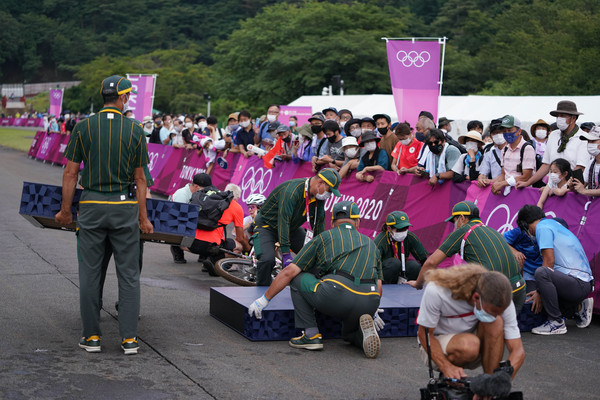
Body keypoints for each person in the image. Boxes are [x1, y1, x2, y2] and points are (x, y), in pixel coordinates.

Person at [55, 75, 153, 355]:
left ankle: (92, 337)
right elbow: (141, 181)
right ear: (122, 98)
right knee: (129, 276)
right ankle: (129, 339)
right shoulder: (135, 129)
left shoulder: (83, 127)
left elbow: (71, 173)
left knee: (89, 274)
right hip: (124, 209)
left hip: (91, 207)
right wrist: (143, 219)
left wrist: (65, 211)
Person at [248, 201, 383, 358]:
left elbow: (289, 272)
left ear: (332, 222)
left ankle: (311, 335)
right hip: (370, 300)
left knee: (298, 278)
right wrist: (373, 310)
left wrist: (264, 299)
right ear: (358, 222)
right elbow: (378, 284)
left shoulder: (324, 238)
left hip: (338, 295)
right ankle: (360, 336)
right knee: (348, 334)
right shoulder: (372, 244)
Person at [408, 201, 525, 312]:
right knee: (506, 330)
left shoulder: (462, 231)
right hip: (519, 290)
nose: (454, 225)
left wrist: (418, 284)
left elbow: (431, 263)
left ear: (462, 218)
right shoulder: (492, 230)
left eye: (454, 221)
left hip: (495, 294)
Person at [416, 264, 524, 380]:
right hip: (434, 346)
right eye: (491, 312)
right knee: (469, 344)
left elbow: (517, 350)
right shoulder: (437, 291)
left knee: (496, 323)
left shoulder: (501, 299)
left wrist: (501, 381)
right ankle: (450, 377)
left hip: (474, 346)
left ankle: (489, 383)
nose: (495, 315)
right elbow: (424, 335)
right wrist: (446, 367)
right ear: (476, 298)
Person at [253, 169, 342, 286]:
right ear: (320, 183)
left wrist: (323, 251)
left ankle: (309, 290)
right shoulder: (292, 191)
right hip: (267, 226)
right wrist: (285, 253)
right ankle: (262, 290)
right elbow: (283, 221)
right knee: (267, 260)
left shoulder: (318, 197)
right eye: (329, 191)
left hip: (291, 228)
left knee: (313, 259)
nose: (329, 195)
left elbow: (319, 223)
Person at [516, 205, 594, 335]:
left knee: (541, 272)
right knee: (540, 289)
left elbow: (549, 262)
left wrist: (540, 291)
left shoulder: (542, 228)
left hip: (577, 284)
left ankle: (556, 322)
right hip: (580, 283)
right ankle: (578, 307)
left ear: (525, 225)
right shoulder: (553, 223)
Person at [517, 100, 589, 189]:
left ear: (573, 118)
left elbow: (580, 168)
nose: (559, 118)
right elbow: (546, 165)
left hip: (572, 190)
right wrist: (528, 183)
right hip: (552, 188)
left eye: (562, 116)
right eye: (558, 116)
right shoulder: (554, 135)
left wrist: (563, 189)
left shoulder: (583, 138)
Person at [187, 180, 251, 274]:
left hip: (190, 243)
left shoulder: (210, 199)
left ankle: (204, 259)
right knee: (238, 247)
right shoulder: (236, 207)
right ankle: (215, 263)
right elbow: (240, 237)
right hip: (211, 245)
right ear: (237, 198)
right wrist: (247, 248)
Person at [168, 173, 212, 264]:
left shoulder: (200, 194)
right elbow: (178, 216)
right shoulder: (182, 194)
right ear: (196, 186)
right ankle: (176, 247)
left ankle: (203, 253)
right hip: (176, 221)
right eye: (205, 188)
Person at [374, 211, 427, 284]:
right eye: (399, 229)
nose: (403, 232)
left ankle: (410, 291)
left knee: (414, 266)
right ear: (389, 228)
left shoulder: (410, 237)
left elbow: (424, 260)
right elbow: (372, 266)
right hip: (385, 274)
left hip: (403, 273)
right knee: (394, 263)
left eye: (406, 228)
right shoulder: (380, 241)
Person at [491, 115, 536, 196]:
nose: (507, 133)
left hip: (522, 192)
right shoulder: (505, 149)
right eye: (504, 131)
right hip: (507, 192)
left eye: (510, 130)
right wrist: (496, 184)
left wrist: (503, 183)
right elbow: (504, 174)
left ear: (519, 131)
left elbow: (526, 176)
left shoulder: (527, 148)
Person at [572, 126, 600, 197]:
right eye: (588, 141)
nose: (589, 144)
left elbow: (583, 190)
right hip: (594, 204)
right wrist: (572, 185)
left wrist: (585, 191)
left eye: (593, 141)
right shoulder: (591, 163)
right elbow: (582, 184)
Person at [477, 119, 505, 186]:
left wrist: (491, 181)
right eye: (494, 133)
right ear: (491, 136)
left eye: (500, 132)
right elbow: (483, 173)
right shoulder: (489, 154)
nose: (498, 135)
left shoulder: (512, 151)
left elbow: (507, 174)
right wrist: (481, 179)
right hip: (495, 189)